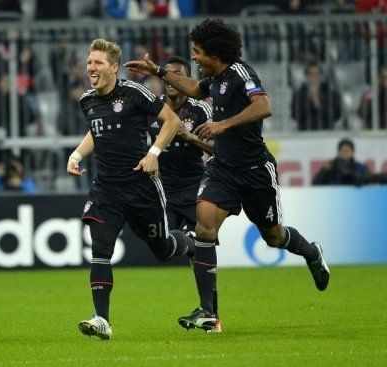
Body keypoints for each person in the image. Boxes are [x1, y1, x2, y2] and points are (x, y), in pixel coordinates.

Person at [125, 18, 330, 333]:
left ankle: (310, 251)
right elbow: (194, 88)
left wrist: (224, 124)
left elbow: (264, 105)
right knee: (204, 228)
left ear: (214, 52)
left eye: (197, 52)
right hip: (222, 168)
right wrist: (159, 72)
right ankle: (209, 313)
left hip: (254, 170)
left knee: (273, 236)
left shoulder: (240, 73)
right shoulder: (213, 78)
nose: (193, 58)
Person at [67, 39, 194, 340]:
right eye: (89, 62)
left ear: (113, 67)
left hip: (141, 189)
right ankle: (102, 320)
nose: (91, 68)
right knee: (100, 249)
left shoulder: (134, 93)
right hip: (106, 190)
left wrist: (154, 154)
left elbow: (172, 120)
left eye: (97, 63)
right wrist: (76, 155)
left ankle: (188, 245)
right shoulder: (87, 100)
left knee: (163, 250)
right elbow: (96, 131)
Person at [149, 55, 213, 233]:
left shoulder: (200, 109)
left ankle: (191, 243)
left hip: (194, 187)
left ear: (187, 80)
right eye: (167, 74)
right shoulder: (153, 108)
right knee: (165, 249)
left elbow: (220, 147)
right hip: (164, 190)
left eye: (176, 75)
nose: (170, 80)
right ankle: (187, 242)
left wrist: (191, 137)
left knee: (201, 242)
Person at [291, 62, 342, 131]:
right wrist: (308, 101)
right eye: (311, 74)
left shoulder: (329, 92)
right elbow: (294, 115)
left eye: (317, 74)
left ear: (321, 75)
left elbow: (337, 114)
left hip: (326, 131)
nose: (315, 76)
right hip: (305, 132)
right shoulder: (300, 93)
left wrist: (319, 104)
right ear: (307, 75)